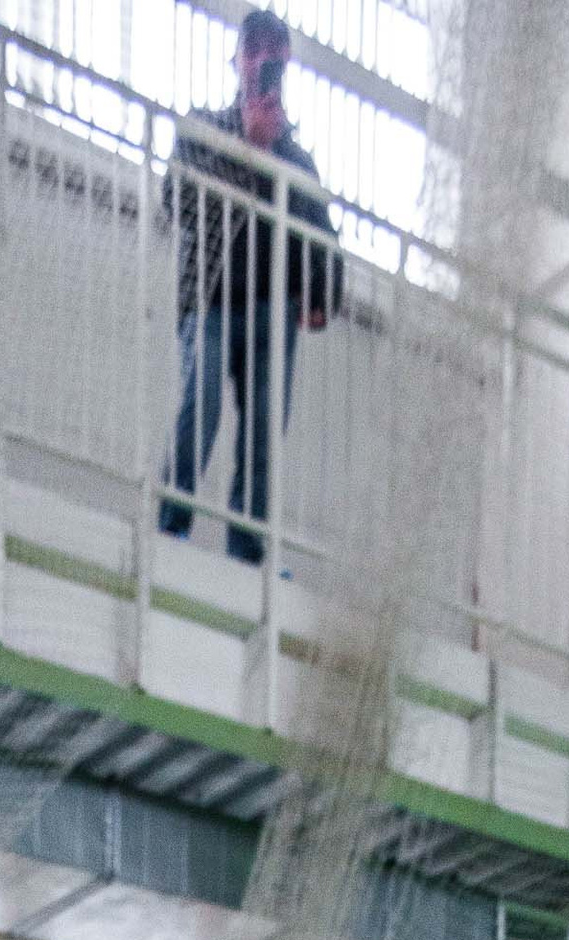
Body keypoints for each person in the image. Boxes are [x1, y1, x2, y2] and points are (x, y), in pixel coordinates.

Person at [156, 10, 341, 569]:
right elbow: (178, 200)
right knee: (202, 402)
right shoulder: (203, 127)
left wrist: (322, 299)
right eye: (253, 50)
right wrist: (250, 150)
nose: (263, 61)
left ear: (285, 66)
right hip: (209, 299)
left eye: (274, 53)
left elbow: (323, 241)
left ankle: (247, 548)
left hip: (272, 310)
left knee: (263, 437)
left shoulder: (299, 160)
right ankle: (171, 524)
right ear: (236, 60)